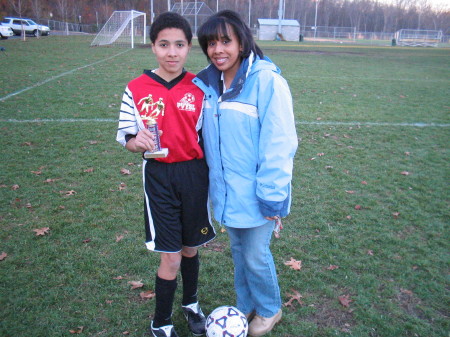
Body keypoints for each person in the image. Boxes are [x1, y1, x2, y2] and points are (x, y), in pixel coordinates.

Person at [193, 10, 298, 337]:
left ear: (242, 42)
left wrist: (271, 197)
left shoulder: (266, 82)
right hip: (226, 193)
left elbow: (279, 143)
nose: (218, 49)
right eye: (211, 43)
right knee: (240, 256)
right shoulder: (209, 83)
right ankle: (246, 305)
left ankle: (269, 309)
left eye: (226, 40)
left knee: (255, 256)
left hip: (258, 194)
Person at [116, 12, 215, 337]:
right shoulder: (135, 88)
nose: (172, 52)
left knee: (190, 249)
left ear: (188, 48)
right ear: (153, 47)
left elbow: (208, 136)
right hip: (159, 178)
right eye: (164, 44)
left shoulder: (200, 87)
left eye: (179, 44)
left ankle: (191, 304)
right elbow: (127, 138)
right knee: (170, 258)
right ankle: (161, 322)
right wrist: (136, 142)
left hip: (194, 176)